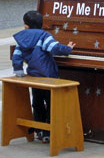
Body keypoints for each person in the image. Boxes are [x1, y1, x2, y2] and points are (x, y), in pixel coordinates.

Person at [12, 10, 76, 143]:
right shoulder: (43, 35)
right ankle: (48, 132)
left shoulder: (22, 38)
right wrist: (68, 48)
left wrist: (18, 72)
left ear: (26, 25)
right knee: (51, 104)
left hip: (34, 77)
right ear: (42, 24)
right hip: (49, 77)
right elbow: (54, 48)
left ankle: (38, 130)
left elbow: (16, 57)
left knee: (37, 103)